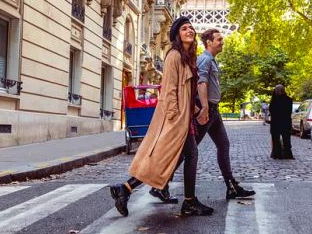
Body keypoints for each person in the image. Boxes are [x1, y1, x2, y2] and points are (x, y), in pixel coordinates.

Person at [109, 17, 214, 217]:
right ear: (177, 34)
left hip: (183, 117)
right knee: (181, 156)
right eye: (184, 28)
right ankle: (188, 202)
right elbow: (170, 89)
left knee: (169, 158)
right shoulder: (174, 55)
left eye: (191, 28)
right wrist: (175, 117)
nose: (189, 30)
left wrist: (194, 113)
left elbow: (186, 93)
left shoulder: (186, 57)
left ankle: (125, 189)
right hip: (175, 119)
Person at [154, 29, 255, 201]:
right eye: (219, 39)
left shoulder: (211, 61)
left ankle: (231, 186)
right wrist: (204, 109)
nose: (222, 42)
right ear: (209, 42)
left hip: (213, 110)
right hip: (205, 110)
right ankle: (160, 184)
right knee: (189, 152)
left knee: (223, 145)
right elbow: (201, 83)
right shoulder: (204, 59)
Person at [269, 85, 294, 159]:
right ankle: (287, 154)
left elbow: (271, 110)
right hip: (285, 122)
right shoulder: (289, 100)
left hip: (276, 123)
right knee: (286, 139)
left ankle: (277, 154)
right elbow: (289, 111)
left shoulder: (274, 100)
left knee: (276, 139)